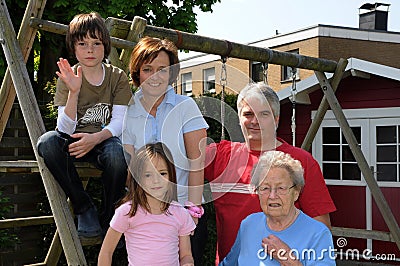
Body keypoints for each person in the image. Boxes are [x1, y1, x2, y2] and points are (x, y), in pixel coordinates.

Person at [205, 83, 336, 263]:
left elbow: (321, 229)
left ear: (276, 119)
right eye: (248, 114)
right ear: (238, 118)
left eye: (263, 114)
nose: (254, 121)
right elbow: (172, 163)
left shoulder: (300, 162)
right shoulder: (220, 156)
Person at [37, 12, 132, 239]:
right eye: (83, 43)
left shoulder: (117, 77)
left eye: (96, 43)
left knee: (118, 155)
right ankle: (84, 207)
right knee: (47, 142)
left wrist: (96, 138)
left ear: (105, 46)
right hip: (73, 142)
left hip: (103, 141)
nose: (90, 50)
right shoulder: (68, 76)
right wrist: (74, 91)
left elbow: (121, 121)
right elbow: (64, 130)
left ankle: (111, 216)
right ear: (74, 47)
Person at [122, 36, 209, 264]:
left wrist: (193, 211)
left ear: (171, 74)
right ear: (137, 73)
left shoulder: (185, 107)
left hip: (182, 209)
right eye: (147, 69)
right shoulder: (128, 112)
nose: (155, 76)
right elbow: (130, 166)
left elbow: (196, 162)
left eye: (162, 70)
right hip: (143, 214)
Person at [220, 150, 336, 265]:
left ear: (296, 192)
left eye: (281, 188)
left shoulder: (318, 234)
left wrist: (288, 260)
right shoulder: (249, 224)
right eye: (265, 188)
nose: (272, 196)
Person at [98, 142, 196, 265]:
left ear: (171, 175)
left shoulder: (180, 213)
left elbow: (186, 255)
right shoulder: (126, 212)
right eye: (148, 175)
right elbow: (106, 252)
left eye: (162, 173)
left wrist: (188, 263)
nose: (156, 180)